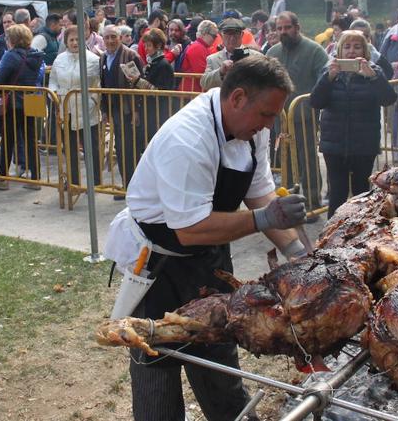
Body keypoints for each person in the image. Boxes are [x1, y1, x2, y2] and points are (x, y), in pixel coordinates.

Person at [104, 55, 311, 421]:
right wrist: (262, 219)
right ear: (237, 98)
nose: (270, 124)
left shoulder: (254, 132)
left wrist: (296, 252)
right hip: (158, 264)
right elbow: (190, 229)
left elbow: (260, 191)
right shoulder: (188, 138)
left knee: (219, 360)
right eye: (266, 114)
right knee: (157, 364)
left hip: (209, 260)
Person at [311, 30, 397, 217]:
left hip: (364, 144)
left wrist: (373, 77)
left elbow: (389, 99)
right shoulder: (329, 70)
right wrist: (328, 79)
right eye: (347, 47)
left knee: (361, 192)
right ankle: (332, 235)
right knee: (337, 193)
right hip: (334, 144)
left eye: (357, 46)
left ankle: (360, 233)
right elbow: (316, 102)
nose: (351, 51)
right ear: (339, 51)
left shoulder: (375, 70)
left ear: (364, 51)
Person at [266, 11, 328, 213]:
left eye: (287, 27)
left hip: (305, 117)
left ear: (297, 28)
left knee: (307, 160)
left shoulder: (315, 51)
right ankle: (291, 205)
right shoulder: (272, 52)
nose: (283, 32)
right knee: (285, 161)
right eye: (279, 28)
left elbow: (325, 80)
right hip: (279, 119)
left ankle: (311, 203)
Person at [0, 24, 43, 190]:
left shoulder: (10, 56)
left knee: (8, 139)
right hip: (32, 98)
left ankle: (3, 178)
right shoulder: (36, 55)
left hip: (14, 102)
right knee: (32, 140)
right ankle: (35, 178)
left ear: (12, 39)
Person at [49, 26, 101, 190]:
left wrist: (92, 103)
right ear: (66, 42)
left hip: (87, 110)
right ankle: (73, 182)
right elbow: (53, 81)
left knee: (90, 148)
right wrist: (55, 97)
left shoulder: (93, 59)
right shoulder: (59, 60)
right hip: (66, 109)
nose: (74, 42)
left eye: (77, 39)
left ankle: (95, 183)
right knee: (70, 148)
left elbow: (97, 85)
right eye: (71, 39)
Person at [100, 24, 145, 194]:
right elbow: (103, 85)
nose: (110, 40)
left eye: (114, 37)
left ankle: (133, 187)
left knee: (129, 150)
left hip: (128, 111)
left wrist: (136, 111)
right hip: (114, 111)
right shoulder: (103, 58)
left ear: (120, 38)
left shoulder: (130, 56)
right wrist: (104, 110)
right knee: (120, 150)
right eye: (107, 37)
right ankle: (127, 185)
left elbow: (137, 86)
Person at [200, 17, 255, 91]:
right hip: (224, 100)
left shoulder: (256, 57)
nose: (232, 38)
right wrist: (220, 72)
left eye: (236, 34)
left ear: (242, 35)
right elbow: (204, 83)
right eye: (228, 34)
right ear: (221, 36)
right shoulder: (212, 59)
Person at [178, 20, 217, 92]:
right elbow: (202, 75)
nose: (215, 39)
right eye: (214, 36)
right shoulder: (198, 48)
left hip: (192, 91)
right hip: (191, 93)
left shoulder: (199, 46)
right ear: (205, 33)